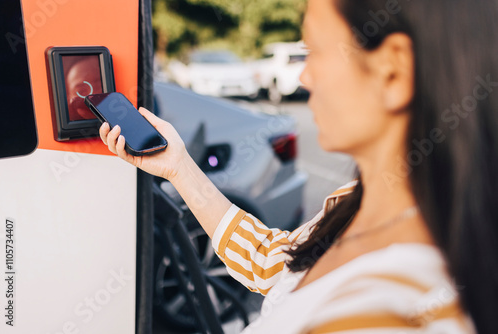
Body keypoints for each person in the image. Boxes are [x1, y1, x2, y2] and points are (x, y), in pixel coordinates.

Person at [100, 0, 498, 333]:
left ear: (393, 71)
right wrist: (178, 167)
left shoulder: (390, 314)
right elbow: (271, 263)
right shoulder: (353, 204)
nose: (304, 76)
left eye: (316, 52)